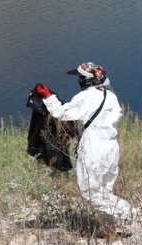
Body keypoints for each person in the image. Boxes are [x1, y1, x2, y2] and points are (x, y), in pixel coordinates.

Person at [34, 62, 132, 223]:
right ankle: (111, 223)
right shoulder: (110, 96)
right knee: (104, 188)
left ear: (87, 80)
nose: (79, 80)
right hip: (111, 146)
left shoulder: (86, 96)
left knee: (89, 190)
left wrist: (48, 96)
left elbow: (61, 112)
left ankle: (127, 213)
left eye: (81, 77)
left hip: (94, 146)